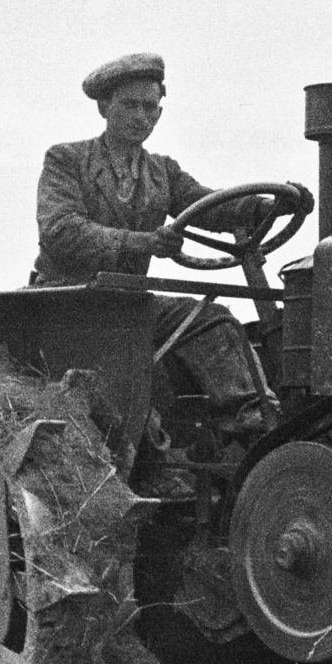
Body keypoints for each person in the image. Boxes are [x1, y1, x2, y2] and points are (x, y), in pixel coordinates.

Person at [31, 52, 311, 438]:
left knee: (212, 319)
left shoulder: (163, 171)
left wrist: (272, 206)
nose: (141, 116)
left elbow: (209, 206)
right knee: (150, 380)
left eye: (150, 107)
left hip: (128, 304)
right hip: (70, 302)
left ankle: (255, 420)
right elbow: (61, 230)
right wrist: (142, 242)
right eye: (130, 105)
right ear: (104, 107)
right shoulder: (67, 159)